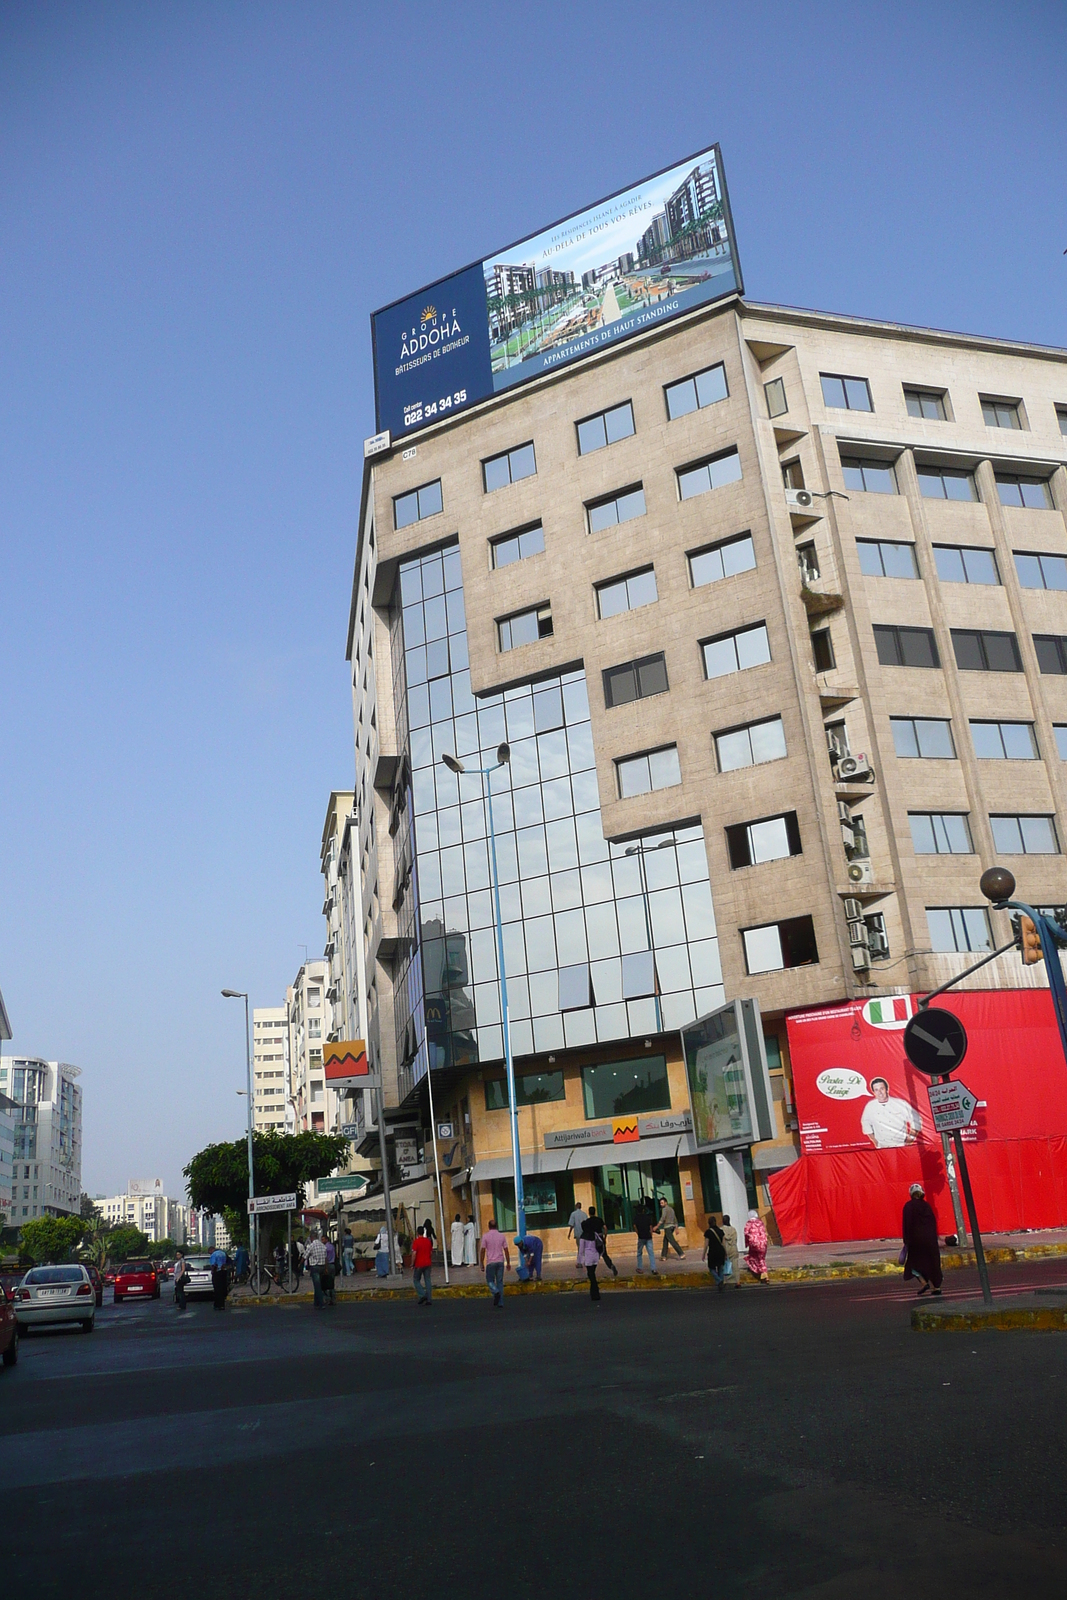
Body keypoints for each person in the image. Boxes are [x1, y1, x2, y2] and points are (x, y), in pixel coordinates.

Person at [902, 1182, 943, 1296]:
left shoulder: (908, 1206)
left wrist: (907, 1240)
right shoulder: (927, 1206)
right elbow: (933, 1223)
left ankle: (924, 1282)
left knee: (913, 1264)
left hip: (916, 1241)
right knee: (932, 1263)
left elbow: (907, 1224)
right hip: (930, 1240)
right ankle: (936, 1287)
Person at [861, 1077, 922, 1149]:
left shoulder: (900, 1103)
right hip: (882, 1147)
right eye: (876, 1090)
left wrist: (911, 1138)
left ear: (887, 1089)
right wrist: (874, 1140)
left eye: (882, 1089)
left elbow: (917, 1119)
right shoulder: (870, 1106)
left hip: (901, 1146)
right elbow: (865, 1123)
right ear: (873, 1092)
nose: (879, 1092)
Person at [479, 1218, 511, 1307]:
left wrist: (481, 1262)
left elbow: (482, 1250)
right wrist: (508, 1262)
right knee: (500, 1281)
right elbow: (506, 1250)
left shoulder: (485, 1236)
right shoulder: (502, 1236)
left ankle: (495, 1291)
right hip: (500, 1261)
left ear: (489, 1226)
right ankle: (500, 1302)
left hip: (491, 1262)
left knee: (490, 1280)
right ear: (497, 1226)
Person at [578, 1214, 602, 1302]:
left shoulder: (583, 1237)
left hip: (588, 1258)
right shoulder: (594, 1234)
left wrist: (579, 1261)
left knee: (591, 1275)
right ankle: (595, 1292)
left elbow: (581, 1250)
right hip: (595, 1256)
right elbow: (600, 1243)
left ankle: (595, 1293)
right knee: (592, 1274)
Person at [588, 1208, 618, 1278]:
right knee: (604, 1255)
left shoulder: (588, 1221)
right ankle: (611, 1266)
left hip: (592, 1240)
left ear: (589, 1213)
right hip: (600, 1239)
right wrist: (604, 1237)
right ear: (595, 1212)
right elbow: (605, 1228)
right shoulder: (599, 1220)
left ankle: (591, 1272)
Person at [743, 1210, 769, 1283]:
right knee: (761, 1258)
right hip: (763, 1243)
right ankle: (763, 1274)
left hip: (754, 1244)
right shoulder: (760, 1222)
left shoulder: (749, 1223)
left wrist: (746, 1243)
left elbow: (746, 1234)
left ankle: (762, 1273)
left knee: (753, 1258)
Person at [633, 1198, 658, 1275]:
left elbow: (634, 1226)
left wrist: (638, 1233)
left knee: (639, 1253)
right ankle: (653, 1269)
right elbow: (650, 1227)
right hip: (648, 1237)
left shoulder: (636, 1218)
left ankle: (640, 1268)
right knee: (651, 1253)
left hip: (641, 1237)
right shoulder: (648, 1217)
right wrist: (651, 1234)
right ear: (643, 1210)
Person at [703, 1218, 727, 1291]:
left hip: (712, 1252)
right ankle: (721, 1282)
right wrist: (725, 1253)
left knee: (711, 1268)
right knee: (720, 1268)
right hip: (720, 1251)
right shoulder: (720, 1231)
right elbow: (723, 1244)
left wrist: (703, 1254)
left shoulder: (708, 1232)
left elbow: (706, 1244)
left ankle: (719, 1281)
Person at [412, 1225, 433, 1306]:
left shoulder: (416, 1242)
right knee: (427, 1280)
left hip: (419, 1264)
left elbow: (414, 1253)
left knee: (416, 1280)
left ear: (417, 1233)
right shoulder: (428, 1241)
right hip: (427, 1263)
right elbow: (431, 1252)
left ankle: (422, 1294)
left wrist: (412, 1263)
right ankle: (429, 1298)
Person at [305, 1233, 329, 1308]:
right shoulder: (322, 1245)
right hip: (322, 1267)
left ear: (311, 1238)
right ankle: (316, 1302)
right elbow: (326, 1258)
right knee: (317, 1285)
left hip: (315, 1267)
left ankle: (321, 1303)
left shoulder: (311, 1246)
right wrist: (326, 1268)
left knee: (317, 1286)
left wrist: (300, 1264)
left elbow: (305, 1256)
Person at [720, 1214, 741, 1288]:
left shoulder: (721, 1230)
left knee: (725, 1265)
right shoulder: (733, 1229)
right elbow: (735, 1239)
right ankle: (737, 1282)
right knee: (735, 1266)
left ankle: (726, 1281)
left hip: (726, 1249)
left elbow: (721, 1242)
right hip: (733, 1248)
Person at [567, 1201, 588, 1269]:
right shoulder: (584, 1214)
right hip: (585, 1234)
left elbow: (571, 1225)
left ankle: (579, 1263)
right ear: (581, 1207)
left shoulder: (573, 1214)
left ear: (576, 1206)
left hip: (578, 1234)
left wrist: (569, 1233)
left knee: (579, 1248)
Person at [209, 1245, 229, 1311]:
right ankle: (222, 1305)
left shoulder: (213, 1255)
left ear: (211, 1250)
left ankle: (217, 1305)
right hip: (223, 1272)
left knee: (217, 1289)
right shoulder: (223, 1253)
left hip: (217, 1272)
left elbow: (213, 1264)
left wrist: (212, 1272)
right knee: (223, 1288)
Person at [323, 1236, 337, 1304]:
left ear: (326, 1239)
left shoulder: (325, 1247)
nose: (322, 1241)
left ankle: (328, 1298)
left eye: (323, 1239)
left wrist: (325, 1268)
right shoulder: (332, 1246)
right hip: (333, 1265)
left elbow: (325, 1258)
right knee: (332, 1282)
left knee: (326, 1282)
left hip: (328, 1265)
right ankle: (333, 1298)